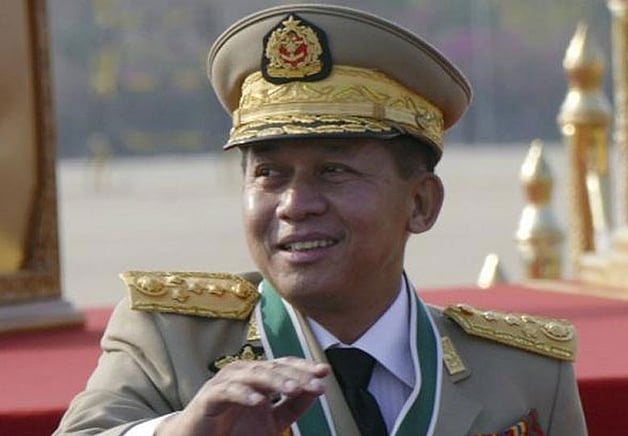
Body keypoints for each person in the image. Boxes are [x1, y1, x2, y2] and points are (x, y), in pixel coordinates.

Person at [55, 4, 587, 435]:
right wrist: (182, 431)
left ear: (421, 203)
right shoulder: (172, 341)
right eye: (269, 174)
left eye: (334, 171)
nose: (294, 204)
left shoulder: (524, 372)